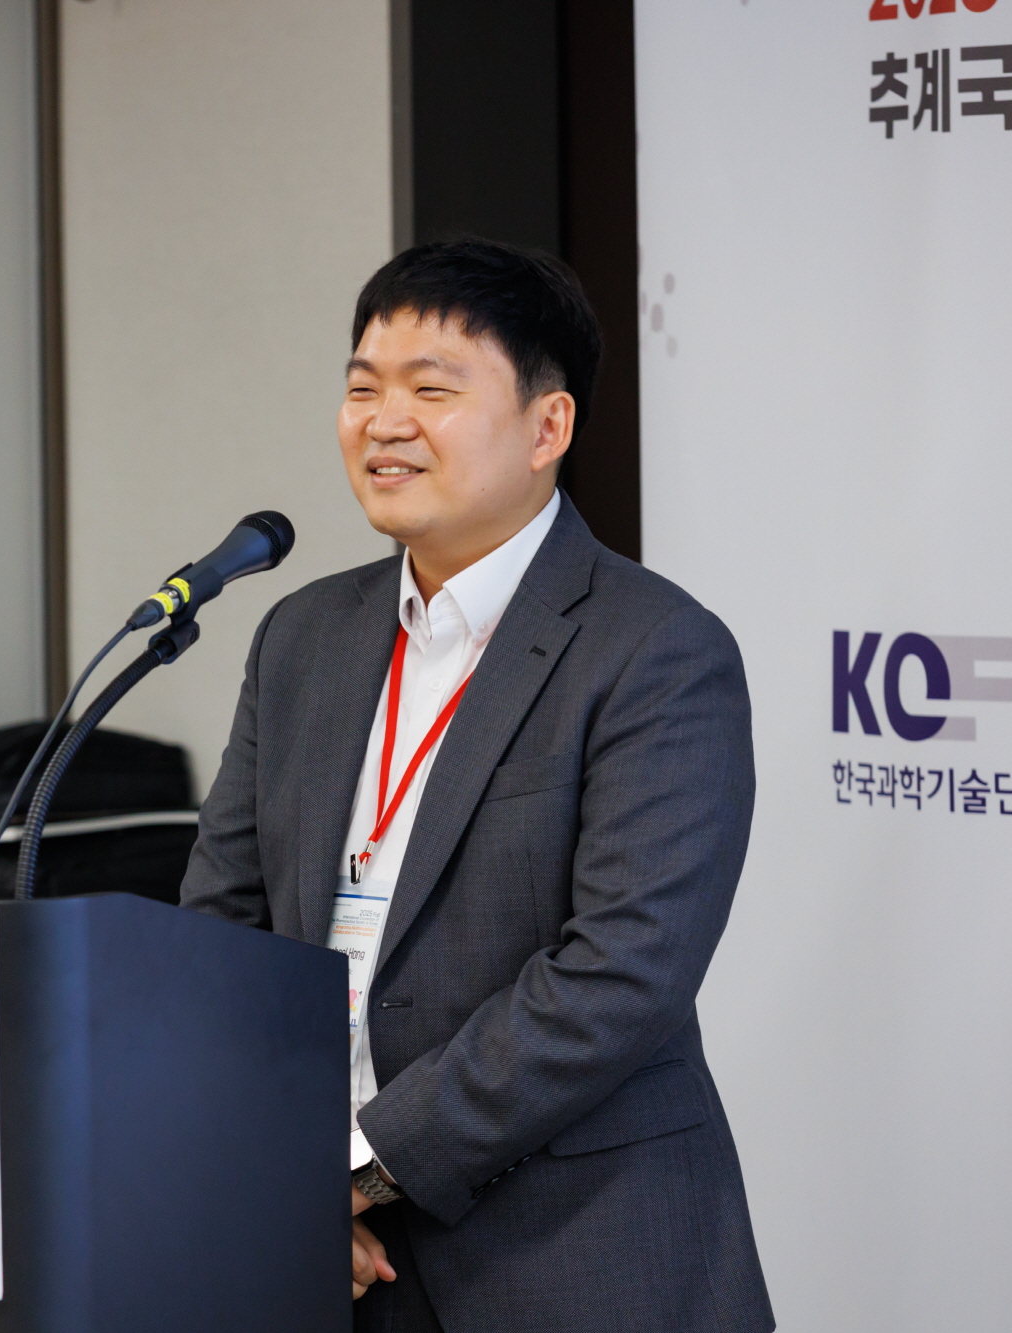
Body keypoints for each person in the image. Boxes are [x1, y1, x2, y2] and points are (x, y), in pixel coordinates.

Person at [180, 238, 774, 1332]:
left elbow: (618, 975)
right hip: (326, 1261)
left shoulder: (655, 650)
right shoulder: (301, 635)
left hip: (572, 1259)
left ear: (548, 428)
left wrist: (355, 1170)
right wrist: (273, 1165)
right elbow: (220, 926)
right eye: (363, 388)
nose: (383, 423)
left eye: (431, 390)